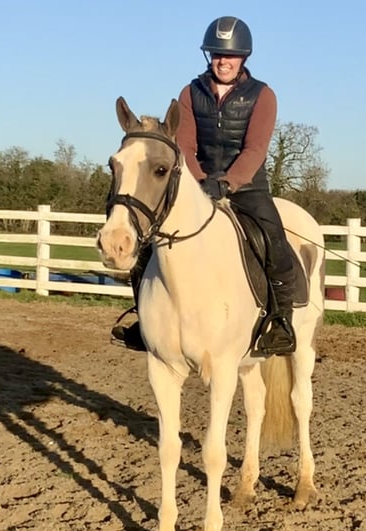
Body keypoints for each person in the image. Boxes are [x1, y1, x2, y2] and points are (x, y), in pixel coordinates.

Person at [112, 15, 297, 356]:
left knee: (275, 243)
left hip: (247, 186)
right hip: (197, 184)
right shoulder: (190, 92)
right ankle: (144, 319)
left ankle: (280, 321)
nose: (222, 61)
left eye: (229, 55)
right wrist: (199, 183)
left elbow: (255, 149)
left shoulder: (263, 95)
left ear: (243, 57)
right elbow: (184, 144)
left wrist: (227, 183)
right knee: (149, 245)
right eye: (215, 54)